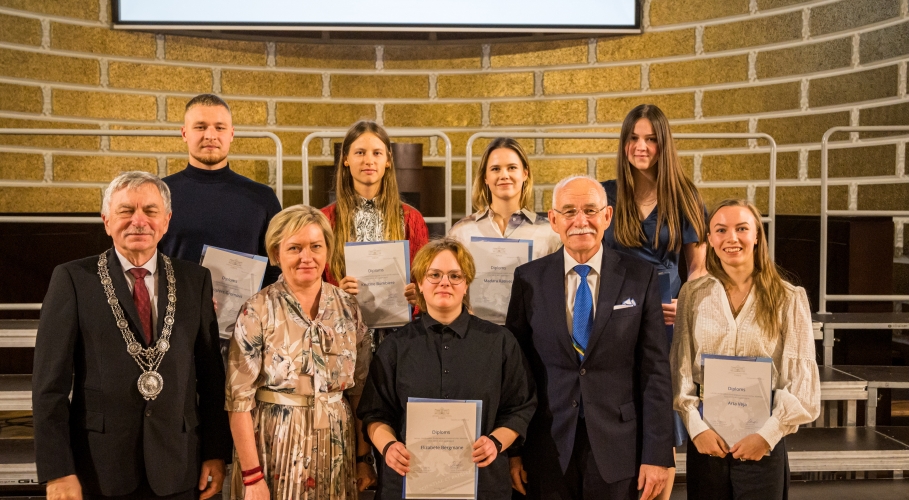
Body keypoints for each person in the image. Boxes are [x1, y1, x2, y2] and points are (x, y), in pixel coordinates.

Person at [33, 171, 231, 500]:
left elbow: (211, 379)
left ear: (166, 221)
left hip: (181, 465)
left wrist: (215, 452)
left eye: (150, 211)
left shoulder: (195, 280)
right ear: (107, 221)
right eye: (126, 210)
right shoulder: (72, 280)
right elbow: (48, 388)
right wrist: (58, 470)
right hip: (99, 468)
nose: (139, 221)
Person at [506, 175, 673, 500]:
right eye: (569, 211)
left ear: (607, 216)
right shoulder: (528, 279)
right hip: (547, 447)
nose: (580, 221)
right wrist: (514, 451)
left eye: (590, 210)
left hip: (619, 447)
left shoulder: (640, 276)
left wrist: (657, 454)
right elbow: (516, 374)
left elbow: (655, 372)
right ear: (554, 220)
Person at [357, 238, 537, 499]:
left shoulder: (499, 342)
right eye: (434, 275)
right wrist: (389, 447)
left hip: (482, 483)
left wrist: (496, 442)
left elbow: (520, 407)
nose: (445, 282)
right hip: (408, 482)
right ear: (419, 283)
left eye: (455, 276)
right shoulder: (394, 346)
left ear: (466, 284)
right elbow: (374, 414)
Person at [671, 199, 820, 499]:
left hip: (762, 445)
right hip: (707, 442)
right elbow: (681, 368)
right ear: (710, 240)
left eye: (741, 228)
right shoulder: (692, 294)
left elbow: (801, 383)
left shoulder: (788, 297)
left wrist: (767, 436)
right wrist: (696, 428)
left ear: (757, 236)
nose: (732, 238)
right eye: (721, 230)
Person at [225, 204, 375, 499]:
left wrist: (362, 458)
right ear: (276, 253)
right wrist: (252, 477)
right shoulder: (257, 310)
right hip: (275, 448)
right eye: (295, 248)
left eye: (316, 246)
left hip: (337, 448)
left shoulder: (348, 308)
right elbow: (238, 401)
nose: (307, 257)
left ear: (327, 250)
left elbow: (360, 391)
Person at [602, 104, 709, 497]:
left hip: (665, 315)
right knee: (619, 406)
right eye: (633, 138)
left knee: (660, 412)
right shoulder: (606, 193)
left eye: (650, 139)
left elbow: (698, 268)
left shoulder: (684, 195)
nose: (641, 146)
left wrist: (687, 303)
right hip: (615, 312)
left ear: (664, 144)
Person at [159, 93, 282, 287]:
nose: (210, 135)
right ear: (184, 133)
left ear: (231, 134)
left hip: (247, 306)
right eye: (200, 127)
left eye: (219, 127)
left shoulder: (262, 198)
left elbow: (277, 265)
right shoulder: (159, 194)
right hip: (175, 305)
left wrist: (256, 303)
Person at [320, 120, 429, 317]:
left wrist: (418, 297)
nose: (368, 160)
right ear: (346, 159)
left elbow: (425, 280)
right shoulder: (324, 221)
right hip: (342, 326)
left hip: (399, 328)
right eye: (360, 152)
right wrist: (335, 295)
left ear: (388, 160)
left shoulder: (411, 219)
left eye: (377, 153)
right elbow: (312, 285)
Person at [450, 137, 560, 260]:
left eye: (512, 167)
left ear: (525, 173)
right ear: (485, 177)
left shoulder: (550, 234)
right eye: (495, 169)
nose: (504, 175)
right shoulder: (461, 232)